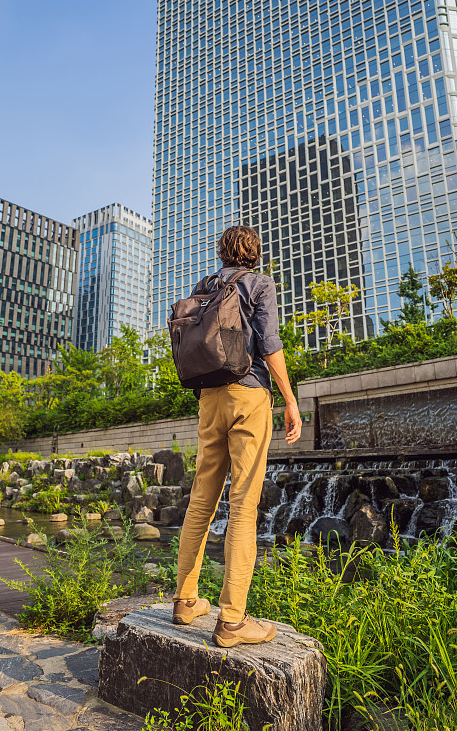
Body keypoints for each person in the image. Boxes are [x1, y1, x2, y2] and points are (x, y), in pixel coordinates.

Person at [172, 225, 302, 647]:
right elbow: (269, 343)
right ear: (255, 252)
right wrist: (290, 399)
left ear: (223, 252)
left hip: (209, 398)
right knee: (244, 502)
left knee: (201, 500)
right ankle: (232, 621)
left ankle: (185, 600)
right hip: (248, 396)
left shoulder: (206, 285)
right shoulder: (259, 284)